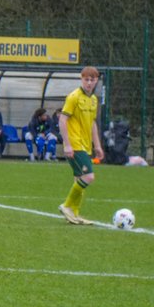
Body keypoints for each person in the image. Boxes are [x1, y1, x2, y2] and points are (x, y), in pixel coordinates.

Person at [57, 66, 104, 225]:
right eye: (86, 79)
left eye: (92, 80)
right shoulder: (73, 97)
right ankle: (66, 205)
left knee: (79, 179)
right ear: (81, 79)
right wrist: (67, 144)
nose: (89, 83)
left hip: (85, 145)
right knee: (88, 177)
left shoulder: (94, 99)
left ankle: (75, 214)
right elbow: (62, 120)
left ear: (96, 81)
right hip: (75, 144)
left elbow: (92, 124)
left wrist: (97, 145)